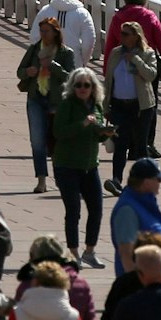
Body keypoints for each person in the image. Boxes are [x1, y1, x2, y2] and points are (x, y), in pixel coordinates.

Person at [51, 68, 113, 268]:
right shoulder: (67, 105)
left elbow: (98, 134)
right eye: (78, 85)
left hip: (90, 166)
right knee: (73, 210)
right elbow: (59, 133)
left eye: (86, 85)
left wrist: (105, 133)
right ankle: (74, 253)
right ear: (72, 87)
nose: (82, 89)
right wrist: (83, 124)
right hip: (66, 165)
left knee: (96, 209)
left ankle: (89, 251)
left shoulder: (96, 105)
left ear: (93, 87)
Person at [18, 17, 77, 194]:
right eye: (41, 31)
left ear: (56, 32)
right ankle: (41, 179)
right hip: (36, 98)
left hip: (56, 101)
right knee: (37, 140)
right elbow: (20, 71)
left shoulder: (65, 53)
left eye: (47, 31)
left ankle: (60, 177)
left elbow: (71, 78)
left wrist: (53, 66)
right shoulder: (34, 49)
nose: (43, 35)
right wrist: (28, 72)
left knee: (57, 141)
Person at [104, 22, 161, 185]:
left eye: (126, 34)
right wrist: (105, 104)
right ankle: (116, 179)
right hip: (119, 105)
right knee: (121, 143)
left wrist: (136, 60)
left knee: (140, 145)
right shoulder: (116, 53)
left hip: (141, 106)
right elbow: (108, 80)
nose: (121, 37)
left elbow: (151, 75)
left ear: (136, 36)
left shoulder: (147, 53)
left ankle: (144, 181)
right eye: (121, 33)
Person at [111, 158, 161, 278]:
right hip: (143, 289)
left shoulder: (144, 204)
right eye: (158, 179)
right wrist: (138, 286)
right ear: (146, 182)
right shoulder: (127, 210)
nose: (160, 182)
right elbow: (126, 254)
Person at [33, 0, 100, 67]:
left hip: (46, 59)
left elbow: (34, 36)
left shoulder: (45, 10)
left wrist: (38, 57)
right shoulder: (83, 13)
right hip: (74, 61)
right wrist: (83, 62)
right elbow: (89, 42)